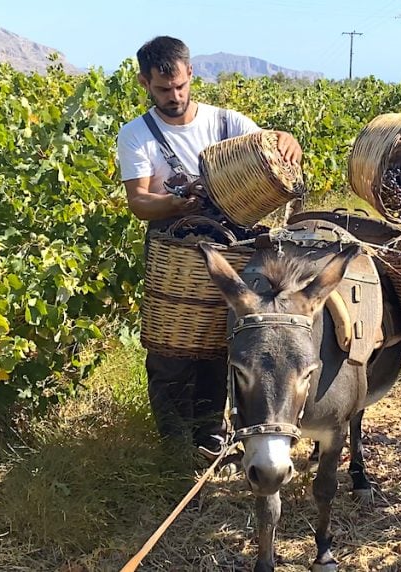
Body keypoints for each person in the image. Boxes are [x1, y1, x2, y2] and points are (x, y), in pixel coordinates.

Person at [116, 36, 302, 464]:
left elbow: (270, 145)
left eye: (180, 86)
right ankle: (175, 450)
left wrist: (286, 137)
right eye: (163, 90)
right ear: (145, 82)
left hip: (227, 249)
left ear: (190, 74)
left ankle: (210, 437)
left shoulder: (225, 122)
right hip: (174, 255)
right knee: (171, 351)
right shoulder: (137, 135)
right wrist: (178, 202)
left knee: (219, 346)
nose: (175, 97)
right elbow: (139, 202)